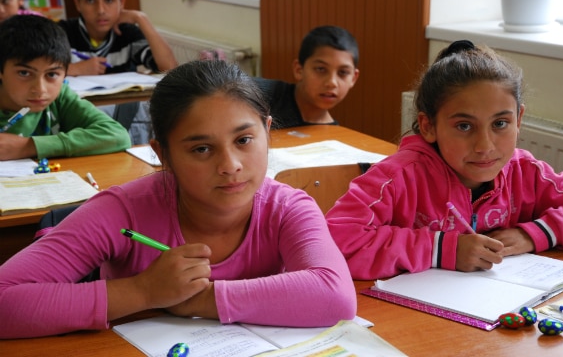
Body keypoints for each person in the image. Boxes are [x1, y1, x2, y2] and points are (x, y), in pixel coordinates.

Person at [0, 59, 357, 339]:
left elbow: (335, 296)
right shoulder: (123, 210)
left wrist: (203, 299)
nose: (230, 166)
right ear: (163, 153)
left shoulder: (288, 207)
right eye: (201, 148)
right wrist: (143, 292)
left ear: (266, 131)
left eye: (244, 140)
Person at [325, 40, 563, 280]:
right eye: (464, 126)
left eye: (500, 123)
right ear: (428, 126)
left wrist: (536, 234)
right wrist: (440, 249)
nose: (485, 146)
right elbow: (333, 243)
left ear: (518, 120)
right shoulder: (397, 177)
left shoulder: (526, 173)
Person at [0, 15, 131, 161]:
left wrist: (29, 146)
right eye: (24, 73)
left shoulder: (60, 97)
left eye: (52, 74)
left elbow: (118, 136)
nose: (40, 89)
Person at [58, 0, 178, 144]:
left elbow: (169, 68)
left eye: (108, 0)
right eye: (90, 1)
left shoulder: (127, 33)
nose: (100, 10)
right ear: (77, 3)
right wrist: (75, 69)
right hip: (75, 122)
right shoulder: (62, 32)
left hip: (123, 119)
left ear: (121, 2)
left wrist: (141, 19)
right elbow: (37, 70)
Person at [254, 25, 359, 129]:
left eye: (343, 72)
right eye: (321, 69)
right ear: (299, 70)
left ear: (353, 78)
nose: (332, 82)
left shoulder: (332, 135)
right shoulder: (255, 94)